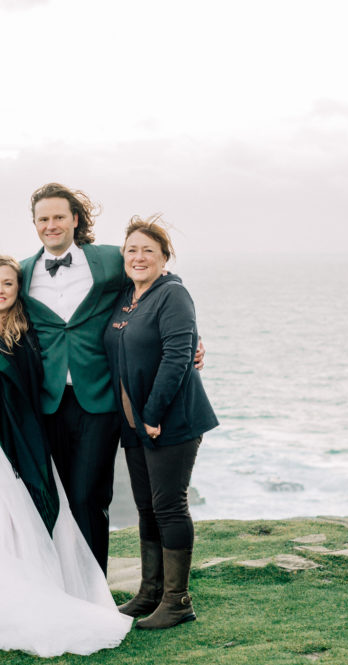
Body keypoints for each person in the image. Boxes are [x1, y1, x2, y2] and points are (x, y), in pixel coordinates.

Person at [0, 255, 132, 657]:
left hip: (27, 448)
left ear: (18, 291)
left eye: (8, 283)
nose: (0, 290)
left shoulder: (26, 331)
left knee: (30, 530)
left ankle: (36, 602)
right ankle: (0, 612)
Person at [20, 182, 204, 574]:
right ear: (35, 224)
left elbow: (155, 285)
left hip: (100, 399)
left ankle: (94, 590)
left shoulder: (108, 260)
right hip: (47, 400)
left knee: (90, 496)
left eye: (58, 217)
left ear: (75, 219)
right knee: (53, 497)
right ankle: (60, 583)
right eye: (43, 219)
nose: (51, 225)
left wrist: (192, 339)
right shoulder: (20, 274)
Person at [103, 216, 218, 630]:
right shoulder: (127, 296)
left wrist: (152, 416)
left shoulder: (173, 295)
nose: (138, 257)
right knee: (146, 507)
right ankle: (150, 592)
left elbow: (177, 355)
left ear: (164, 258)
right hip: (133, 424)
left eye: (148, 250)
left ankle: (177, 600)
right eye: (131, 249)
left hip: (171, 420)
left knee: (170, 506)